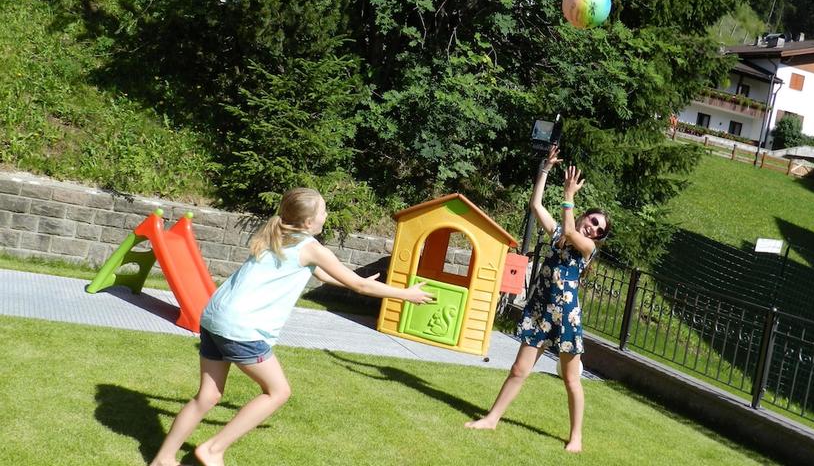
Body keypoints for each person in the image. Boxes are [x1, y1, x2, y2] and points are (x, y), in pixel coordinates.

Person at [150, 187, 433, 466]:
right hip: (241, 327)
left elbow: (322, 274)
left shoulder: (279, 235)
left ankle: (163, 458)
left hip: (215, 317)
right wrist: (407, 294)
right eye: (323, 211)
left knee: (208, 395)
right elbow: (355, 284)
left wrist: (360, 282)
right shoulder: (311, 247)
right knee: (277, 392)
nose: (326, 215)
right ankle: (213, 450)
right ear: (309, 222)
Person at [465, 145, 610, 453]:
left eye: (598, 228)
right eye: (593, 220)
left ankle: (577, 437)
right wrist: (545, 170)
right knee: (519, 370)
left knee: (571, 379)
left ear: (597, 237)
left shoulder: (586, 247)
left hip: (566, 317)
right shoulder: (559, 231)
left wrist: (569, 195)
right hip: (541, 310)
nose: (593, 226)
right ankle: (491, 419)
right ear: (585, 215)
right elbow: (536, 205)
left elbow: (571, 232)